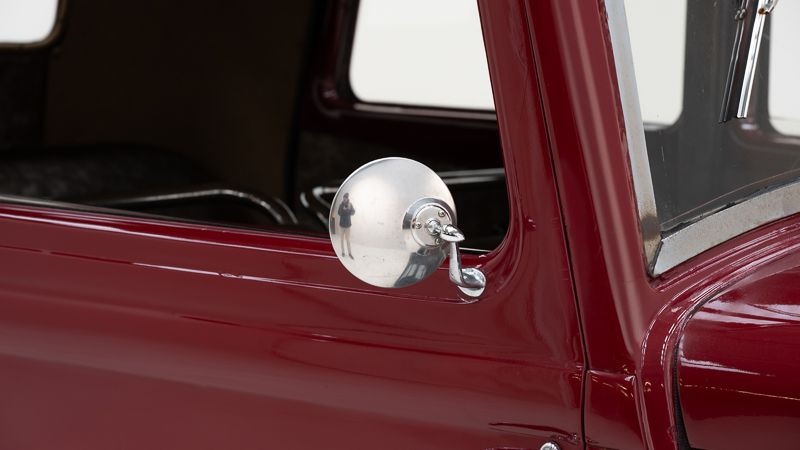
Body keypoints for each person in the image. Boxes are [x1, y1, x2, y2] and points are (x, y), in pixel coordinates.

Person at [338, 193, 355, 258]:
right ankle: (343, 252)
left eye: (345, 198)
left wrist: (348, 210)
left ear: (347, 198)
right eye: (344, 198)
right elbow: (339, 213)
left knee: (348, 240)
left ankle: (350, 253)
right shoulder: (341, 205)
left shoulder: (350, 205)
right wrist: (343, 210)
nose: (344, 199)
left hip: (348, 226)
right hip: (341, 225)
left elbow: (353, 212)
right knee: (342, 239)